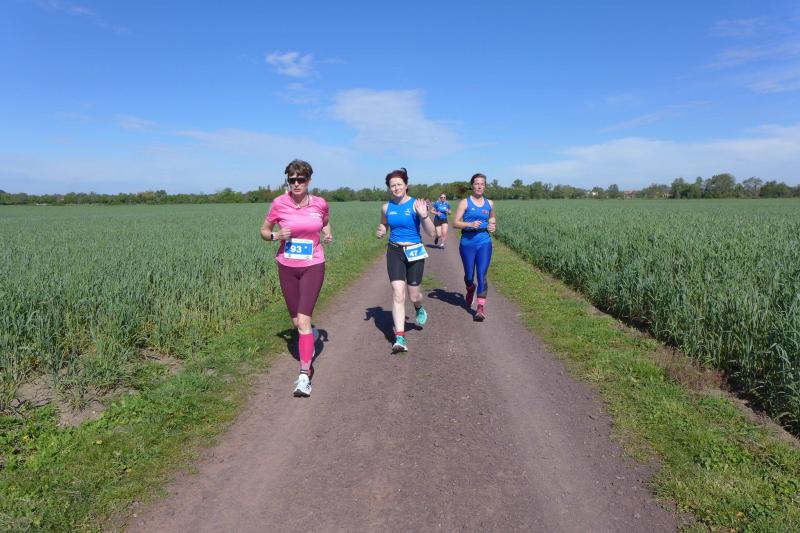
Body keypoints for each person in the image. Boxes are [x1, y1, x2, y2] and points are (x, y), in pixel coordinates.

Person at [260, 159, 332, 397]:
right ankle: (311, 337)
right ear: (288, 181)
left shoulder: (320, 203)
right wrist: (276, 235)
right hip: (287, 266)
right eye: (292, 180)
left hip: (313, 265)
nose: (296, 183)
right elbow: (264, 231)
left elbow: (324, 222)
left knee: (303, 320)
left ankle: (304, 375)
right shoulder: (278, 203)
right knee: (297, 323)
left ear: (309, 180)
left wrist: (327, 233)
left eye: (301, 179)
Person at [376, 168, 435, 352]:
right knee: (398, 293)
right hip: (394, 251)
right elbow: (384, 223)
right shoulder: (386, 207)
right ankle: (400, 338)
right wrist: (382, 230)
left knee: (414, 295)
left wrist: (424, 215)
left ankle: (418, 307)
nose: (396, 188)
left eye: (399, 184)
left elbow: (432, 233)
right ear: (389, 188)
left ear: (406, 185)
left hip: (414, 250)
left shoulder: (417, 204)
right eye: (392, 185)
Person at [453, 173, 496, 321]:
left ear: (485, 186)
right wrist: (469, 224)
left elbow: (492, 217)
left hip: (484, 242)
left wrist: (492, 225)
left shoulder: (489, 203)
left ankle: (480, 309)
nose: (479, 186)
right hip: (467, 243)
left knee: (482, 274)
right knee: (469, 277)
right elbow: (455, 223)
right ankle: (470, 288)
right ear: (472, 186)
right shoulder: (465, 203)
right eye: (477, 183)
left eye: (482, 184)